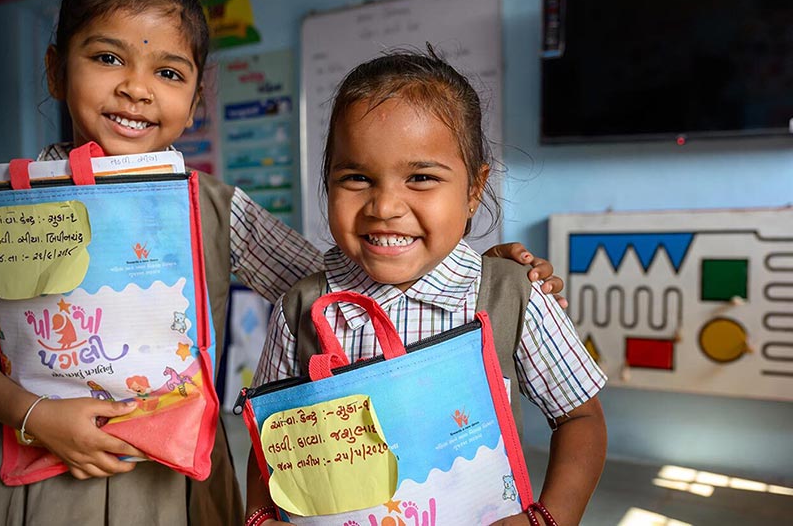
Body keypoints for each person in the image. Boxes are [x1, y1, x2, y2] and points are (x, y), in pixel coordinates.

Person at [0, 0, 563, 526]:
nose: (136, 87)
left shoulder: (216, 208)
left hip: (178, 485)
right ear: (57, 70)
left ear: (197, 94)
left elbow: (344, 279)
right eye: (107, 56)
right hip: (40, 486)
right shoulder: (3, 205)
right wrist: (34, 415)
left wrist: (465, 265)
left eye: (168, 71)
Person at [246, 47, 607, 526]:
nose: (385, 206)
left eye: (420, 177)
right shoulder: (302, 306)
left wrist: (547, 519)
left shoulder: (513, 296)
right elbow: (270, 437)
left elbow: (580, 420)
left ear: (474, 190)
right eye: (356, 177)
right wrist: (257, 518)